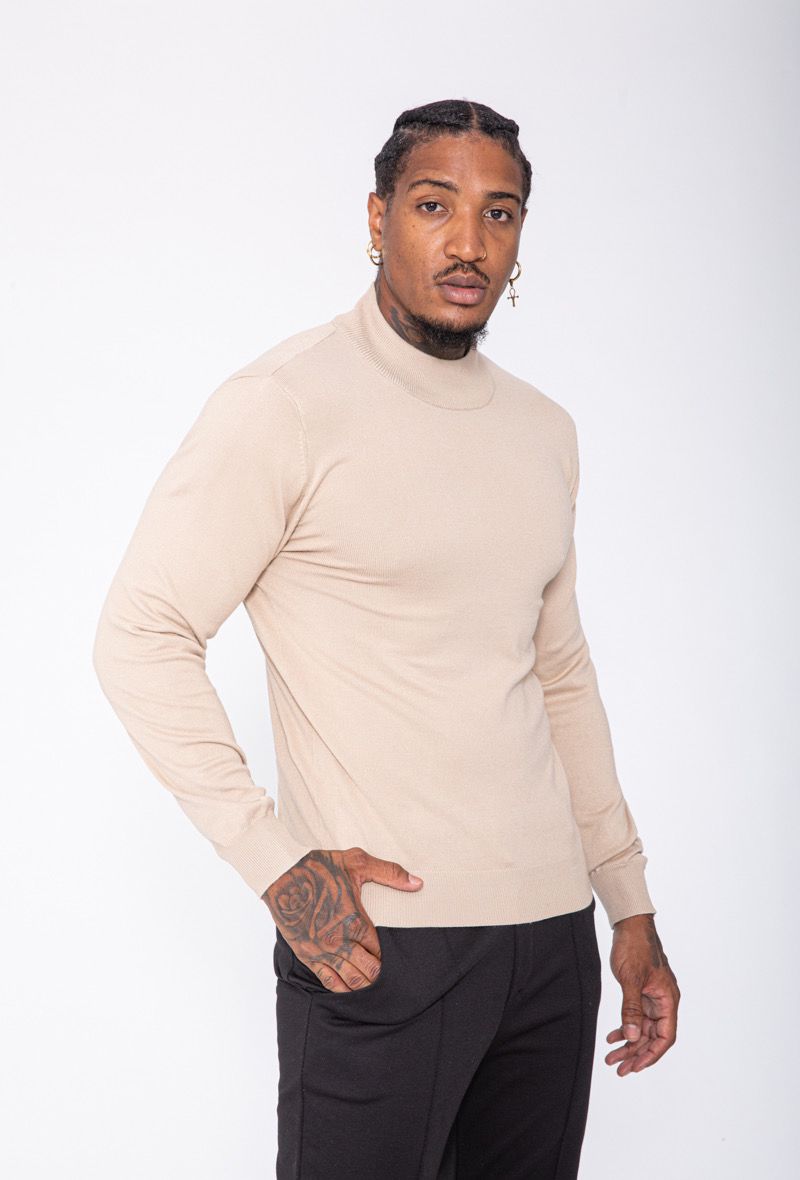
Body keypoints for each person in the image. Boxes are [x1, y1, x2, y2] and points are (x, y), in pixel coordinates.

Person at [93, 98, 680, 1178]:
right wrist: (279, 869)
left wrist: (627, 903)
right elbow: (140, 633)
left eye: (498, 212)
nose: (469, 243)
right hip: (381, 943)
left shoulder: (543, 431)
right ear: (378, 219)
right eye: (433, 205)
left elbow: (559, 675)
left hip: (553, 942)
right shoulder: (285, 405)